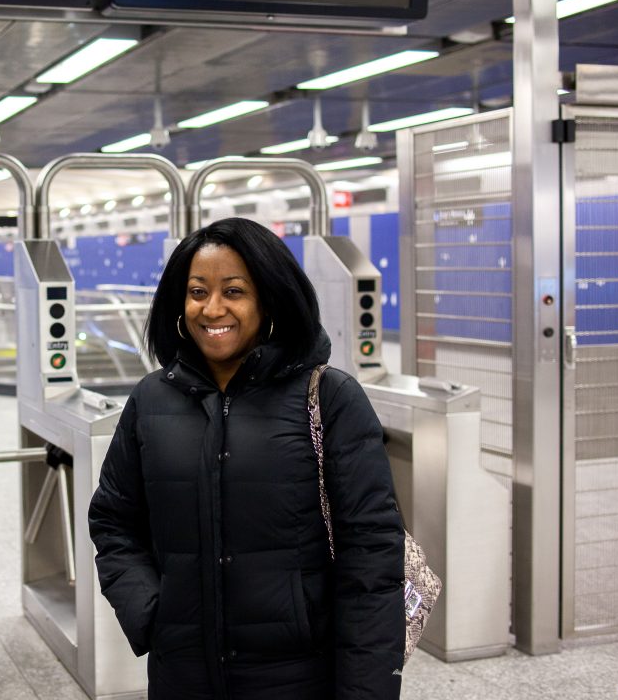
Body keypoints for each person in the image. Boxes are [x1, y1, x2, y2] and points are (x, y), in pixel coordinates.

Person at [88, 217, 404, 700]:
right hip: (182, 678)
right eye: (197, 292)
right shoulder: (151, 400)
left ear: (270, 299)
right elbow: (113, 520)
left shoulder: (330, 398)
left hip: (297, 678)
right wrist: (151, 612)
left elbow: (372, 556)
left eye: (233, 291)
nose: (212, 308)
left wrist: (366, 690)